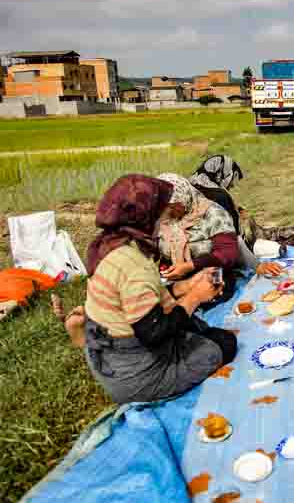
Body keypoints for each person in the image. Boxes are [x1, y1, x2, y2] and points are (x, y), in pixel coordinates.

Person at [81, 175, 237, 404]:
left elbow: (140, 305)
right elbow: (154, 333)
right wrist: (195, 297)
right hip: (135, 374)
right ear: (147, 215)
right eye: (163, 213)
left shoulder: (110, 245)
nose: (166, 221)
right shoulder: (134, 264)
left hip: (107, 359)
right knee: (223, 344)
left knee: (200, 331)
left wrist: (186, 286)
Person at [156, 173, 240, 301]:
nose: (169, 211)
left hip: (211, 274)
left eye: (173, 205)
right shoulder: (164, 218)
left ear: (185, 196)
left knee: (204, 293)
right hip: (175, 278)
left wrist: (188, 266)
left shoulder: (213, 214)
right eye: (165, 206)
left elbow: (228, 254)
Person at [189, 155, 244, 234]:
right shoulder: (220, 196)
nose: (232, 185)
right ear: (226, 171)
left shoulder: (190, 186)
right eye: (233, 177)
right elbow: (235, 227)